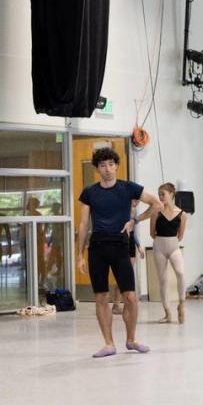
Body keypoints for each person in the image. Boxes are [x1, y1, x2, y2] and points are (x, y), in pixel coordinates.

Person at [77, 147, 161, 358]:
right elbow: (84, 224)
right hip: (97, 249)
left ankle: (131, 339)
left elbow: (156, 204)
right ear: (97, 169)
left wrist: (135, 221)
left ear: (116, 166)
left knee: (131, 297)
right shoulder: (90, 193)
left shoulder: (128, 188)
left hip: (120, 247)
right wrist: (79, 255)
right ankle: (108, 343)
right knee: (101, 297)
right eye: (103, 165)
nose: (107, 169)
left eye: (111, 164)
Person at [151, 183, 189, 324]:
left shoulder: (182, 214)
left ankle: (182, 304)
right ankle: (167, 312)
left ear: (172, 194)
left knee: (180, 273)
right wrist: (161, 242)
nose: (160, 197)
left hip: (174, 246)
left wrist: (171, 242)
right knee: (162, 280)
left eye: (163, 194)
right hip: (159, 246)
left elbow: (180, 235)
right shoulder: (156, 212)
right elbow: (152, 233)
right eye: (159, 194)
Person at [112, 220, 145, 315]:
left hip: (130, 243)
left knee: (128, 275)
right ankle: (116, 304)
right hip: (120, 242)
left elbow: (133, 233)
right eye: (135, 203)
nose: (136, 204)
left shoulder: (134, 214)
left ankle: (127, 302)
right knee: (121, 276)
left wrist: (139, 246)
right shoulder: (121, 210)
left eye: (137, 203)